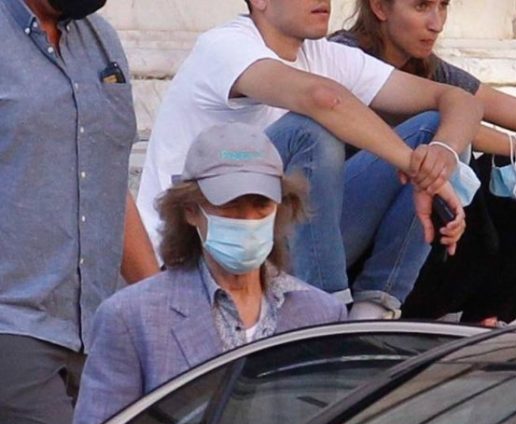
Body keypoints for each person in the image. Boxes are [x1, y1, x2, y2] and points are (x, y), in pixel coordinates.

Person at [136, 0, 484, 321]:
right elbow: (322, 99)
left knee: (434, 134)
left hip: (276, 245)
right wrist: (416, 168)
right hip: (201, 248)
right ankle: (322, 319)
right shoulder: (224, 45)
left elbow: (458, 100)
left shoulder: (325, 55)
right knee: (310, 131)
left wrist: (441, 159)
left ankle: (370, 314)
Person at [67, 123, 347, 424]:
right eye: (230, 205)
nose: (248, 220)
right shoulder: (131, 317)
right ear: (190, 211)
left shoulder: (323, 316)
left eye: (261, 205)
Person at [331, 0, 516, 325]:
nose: (436, 23)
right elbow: (437, 125)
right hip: (347, 248)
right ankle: (373, 309)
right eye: (422, 6)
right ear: (381, 8)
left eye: (443, 6)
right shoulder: (342, 57)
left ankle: (488, 316)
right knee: (439, 146)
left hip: (422, 246)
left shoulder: (434, 71)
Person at [0, 0, 158, 424]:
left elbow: (109, 184)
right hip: (12, 324)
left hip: (100, 328)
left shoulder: (102, 42)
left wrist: (160, 300)